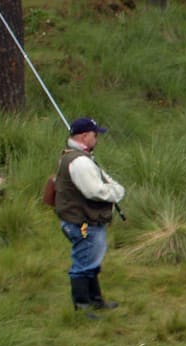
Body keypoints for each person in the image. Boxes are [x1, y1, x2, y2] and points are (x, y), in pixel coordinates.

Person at [54, 116, 126, 316]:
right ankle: (82, 307)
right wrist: (118, 192)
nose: (97, 139)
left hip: (81, 219)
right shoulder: (79, 162)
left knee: (91, 261)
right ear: (85, 136)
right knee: (83, 263)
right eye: (95, 135)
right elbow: (95, 191)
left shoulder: (76, 156)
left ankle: (95, 300)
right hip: (83, 222)